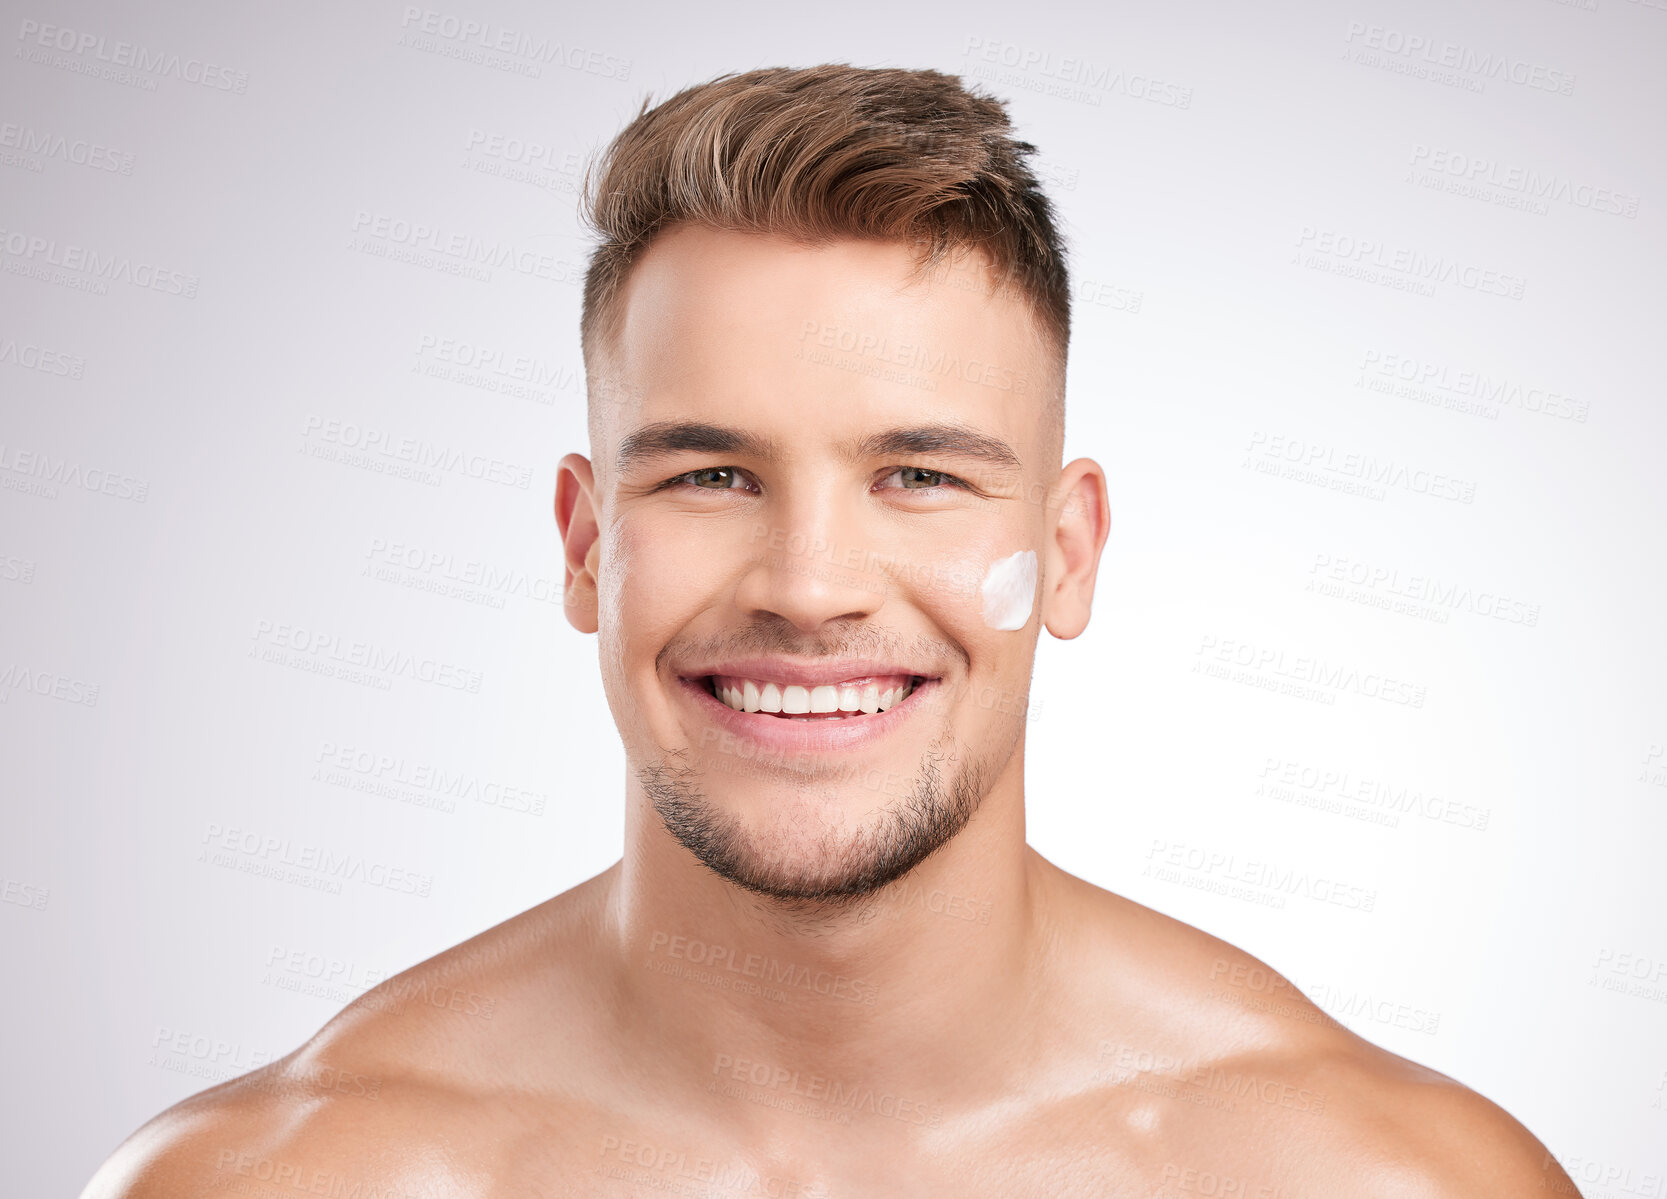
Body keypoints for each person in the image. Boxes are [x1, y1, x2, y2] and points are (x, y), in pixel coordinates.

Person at [84, 64, 1576, 1198]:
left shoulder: (1372, 1181)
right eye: (713, 474)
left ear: (1065, 555)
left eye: (917, 476)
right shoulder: (283, 1183)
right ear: (587, 546)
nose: (810, 586)